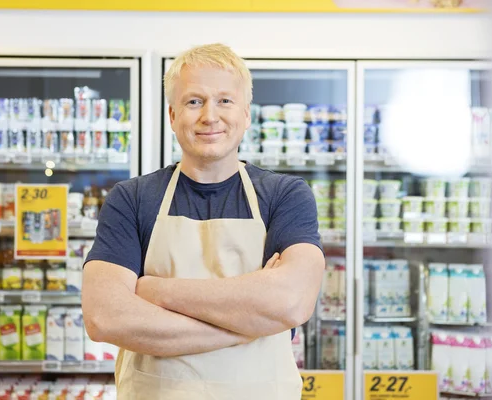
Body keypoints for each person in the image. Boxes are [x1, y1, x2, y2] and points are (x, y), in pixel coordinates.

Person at [82, 43, 325, 399]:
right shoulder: (132, 198)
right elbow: (105, 316)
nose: (210, 116)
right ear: (172, 115)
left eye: (225, 101)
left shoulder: (285, 194)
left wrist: (154, 291)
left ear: (246, 114)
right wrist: (247, 326)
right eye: (194, 101)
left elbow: (291, 301)